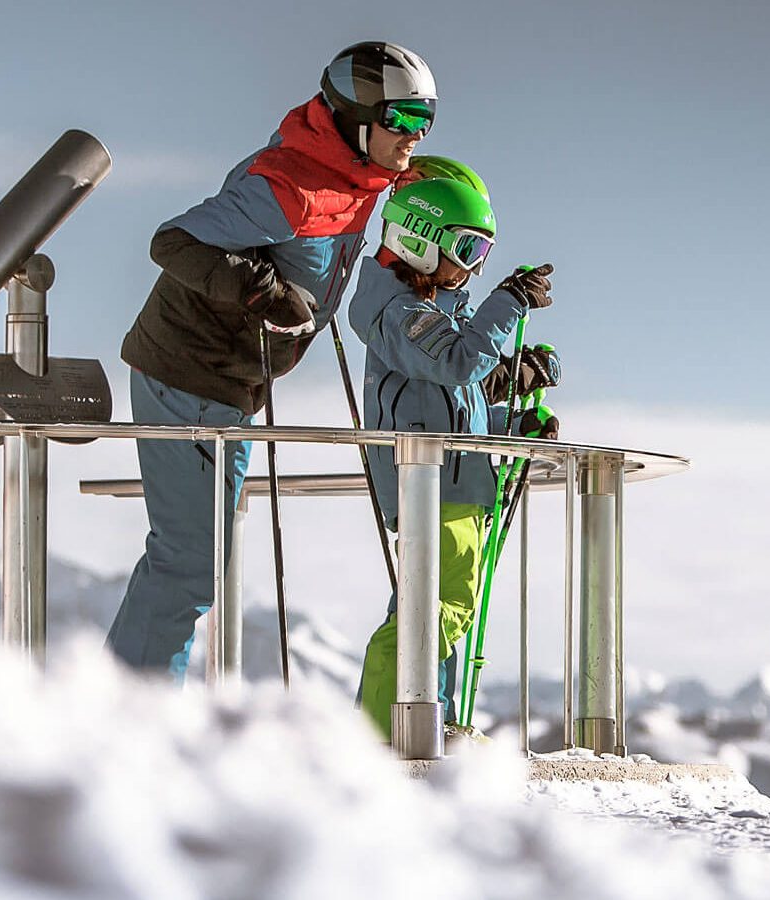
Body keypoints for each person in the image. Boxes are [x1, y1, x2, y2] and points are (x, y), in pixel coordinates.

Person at [107, 41, 438, 675]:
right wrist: (263, 290)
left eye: (426, 119)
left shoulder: (360, 173)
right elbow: (172, 241)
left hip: (234, 383)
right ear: (354, 116)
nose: (414, 136)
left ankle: (125, 708)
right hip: (187, 372)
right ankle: (128, 720)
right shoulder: (287, 184)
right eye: (402, 118)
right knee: (189, 564)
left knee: (196, 560)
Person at [345, 175, 560, 741]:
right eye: (466, 249)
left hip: (454, 487)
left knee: (435, 616)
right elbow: (460, 364)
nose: (472, 268)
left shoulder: (424, 312)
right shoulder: (396, 313)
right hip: (432, 489)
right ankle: (376, 737)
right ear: (419, 237)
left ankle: (418, 729)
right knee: (439, 614)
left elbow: (452, 410)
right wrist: (509, 303)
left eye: (482, 254)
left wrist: (511, 427)